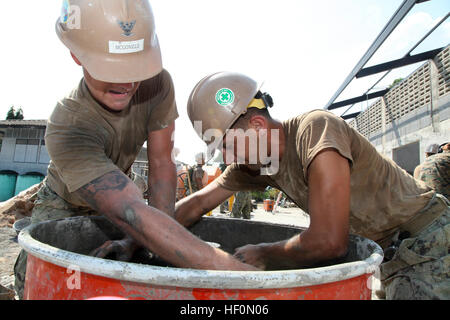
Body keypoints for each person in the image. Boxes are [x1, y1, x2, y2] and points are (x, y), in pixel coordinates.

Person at [14, 1, 256, 299]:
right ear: (76, 55)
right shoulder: (68, 124)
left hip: (124, 190)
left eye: (135, 67)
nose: (127, 82)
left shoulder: (157, 86)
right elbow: (129, 210)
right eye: (113, 69)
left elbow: (162, 165)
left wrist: (160, 252)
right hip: (65, 198)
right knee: (37, 272)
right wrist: (233, 274)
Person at [175, 71, 450, 300]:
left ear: (258, 125)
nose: (229, 159)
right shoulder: (255, 162)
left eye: (229, 146)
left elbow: (329, 242)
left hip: (428, 241)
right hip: (384, 257)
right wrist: (138, 231)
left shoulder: (316, 129)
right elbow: (197, 203)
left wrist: (262, 253)